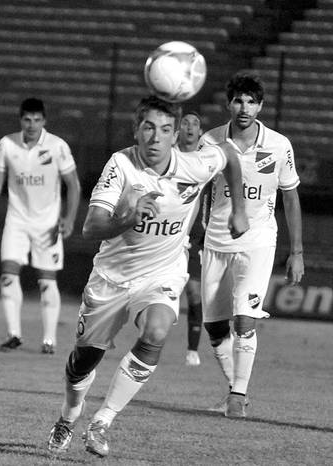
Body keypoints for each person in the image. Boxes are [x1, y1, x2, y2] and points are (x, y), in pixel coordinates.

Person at [47, 96, 248, 457]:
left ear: (176, 136)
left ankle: (103, 421)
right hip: (111, 278)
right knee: (82, 365)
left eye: (166, 130)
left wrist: (238, 210)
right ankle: (69, 415)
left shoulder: (195, 164)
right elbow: (92, 226)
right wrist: (129, 216)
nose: (156, 137)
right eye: (148, 128)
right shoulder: (121, 165)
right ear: (136, 131)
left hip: (162, 274)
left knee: (156, 331)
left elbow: (230, 156)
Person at [200, 72, 304, 418]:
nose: (244, 108)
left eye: (250, 101)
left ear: (260, 106)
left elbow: (290, 197)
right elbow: (194, 191)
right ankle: (235, 388)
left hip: (258, 241)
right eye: (238, 100)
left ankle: (237, 396)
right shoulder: (210, 142)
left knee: (244, 320)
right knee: (215, 327)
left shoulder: (279, 145)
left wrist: (297, 252)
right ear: (229, 104)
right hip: (216, 241)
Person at [0, 98, 81, 354]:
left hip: (48, 224)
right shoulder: (7, 144)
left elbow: (74, 185)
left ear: (44, 121)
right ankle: (14, 334)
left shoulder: (57, 147)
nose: (31, 125)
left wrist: (69, 218)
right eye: (27, 120)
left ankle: (49, 340)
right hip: (17, 221)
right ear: (20, 120)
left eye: (36, 120)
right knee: (8, 275)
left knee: (46, 281)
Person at [177, 110, 205, 367]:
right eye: (185, 122)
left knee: (194, 292)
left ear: (199, 131)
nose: (189, 127)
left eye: (194, 123)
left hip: (196, 237)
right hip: (168, 232)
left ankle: (192, 349)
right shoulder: (168, 157)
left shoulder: (207, 161)